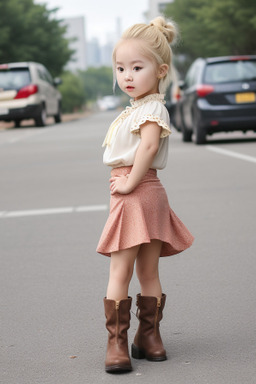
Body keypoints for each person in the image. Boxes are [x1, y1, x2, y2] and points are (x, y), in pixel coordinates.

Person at [96, 16, 194, 373]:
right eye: (121, 68)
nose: (127, 75)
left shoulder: (151, 109)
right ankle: (149, 340)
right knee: (148, 271)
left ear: (161, 69)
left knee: (119, 272)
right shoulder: (140, 108)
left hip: (136, 190)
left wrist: (128, 183)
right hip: (151, 194)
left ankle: (117, 346)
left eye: (137, 67)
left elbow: (148, 148)